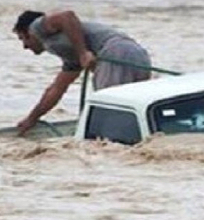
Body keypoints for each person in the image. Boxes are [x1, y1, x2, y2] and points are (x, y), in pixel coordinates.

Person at [12, 9, 151, 135]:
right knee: (129, 107)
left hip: (116, 52)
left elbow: (67, 16)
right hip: (138, 55)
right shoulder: (71, 57)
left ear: (28, 32)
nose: (24, 46)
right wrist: (32, 119)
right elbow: (56, 89)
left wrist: (83, 52)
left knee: (107, 107)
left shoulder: (36, 27)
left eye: (22, 38)